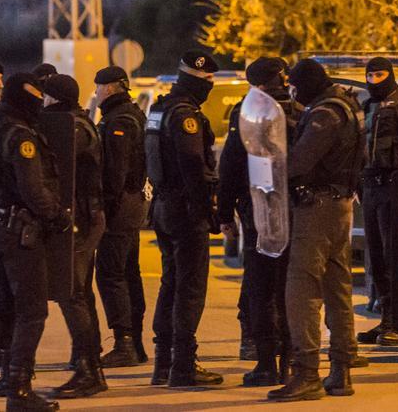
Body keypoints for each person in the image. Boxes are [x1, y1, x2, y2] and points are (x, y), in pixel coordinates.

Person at [0, 73, 69, 412]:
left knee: (1, 310)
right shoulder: (20, 136)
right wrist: (57, 214)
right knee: (32, 313)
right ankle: (19, 391)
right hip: (19, 234)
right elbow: (33, 190)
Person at [268, 59, 364, 401]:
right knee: (338, 288)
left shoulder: (325, 114)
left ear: (305, 84)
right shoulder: (346, 106)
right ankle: (341, 371)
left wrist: (271, 169)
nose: (291, 93)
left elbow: (301, 162)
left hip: (317, 209)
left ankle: (306, 372)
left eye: (294, 86)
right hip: (340, 206)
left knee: (302, 289)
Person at [219, 57, 301, 387]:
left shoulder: (250, 111)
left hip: (260, 210)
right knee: (291, 287)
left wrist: (224, 213)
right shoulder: (300, 107)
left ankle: (267, 362)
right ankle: (294, 359)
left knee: (261, 289)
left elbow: (231, 165)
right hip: (296, 208)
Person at [146, 51, 224, 388]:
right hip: (184, 209)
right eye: (208, 81)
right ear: (195, 78)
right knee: (190, 288)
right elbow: (193, 164)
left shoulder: (159, 109)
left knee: (171, 282)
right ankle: (183, 366)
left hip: (163, 206)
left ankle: (164, 362)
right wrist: (208, 208)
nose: (210, 86)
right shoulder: (185, 115)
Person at [42, 75, 108, 399]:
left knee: (73, 295)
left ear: (53, 98)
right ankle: (90, 367)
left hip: (84, 220)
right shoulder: (77, 123)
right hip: (84, 219)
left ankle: (89, 370)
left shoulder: (75, 129)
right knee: (76, 293)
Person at [356, 57, 398, 347]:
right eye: (370, 75)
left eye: (380, 75)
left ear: (390, 76)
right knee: (378, 259)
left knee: (396, 257)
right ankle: (387, 319)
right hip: (371, 187)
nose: (374, 81)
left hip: (395, 189)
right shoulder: (368, 105)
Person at [91, 66, 150, 369]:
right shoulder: (133, 113)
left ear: (110, 89)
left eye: (99, 88)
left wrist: (106, 208)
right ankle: (135, 342)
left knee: (111, 273)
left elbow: (115, 171)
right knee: (128, 272)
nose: (96, 93)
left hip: (122, 206)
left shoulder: (118, 120)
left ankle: (125, 341)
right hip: (134, 203)